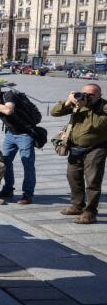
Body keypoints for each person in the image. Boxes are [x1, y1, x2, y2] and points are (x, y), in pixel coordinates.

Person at [50, 83, 107, 224]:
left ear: (100, 95)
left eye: (91, 95)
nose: (87, 96)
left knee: (93, 181)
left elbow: (97, 124)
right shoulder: (77, 103)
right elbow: (54, 112)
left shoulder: (104, 107)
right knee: (73, 177)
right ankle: (77, 205)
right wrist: (69, 101)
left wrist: (85, 106)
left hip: (96, 148)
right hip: (75, 148)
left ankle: (90, 212)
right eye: (84, 93)